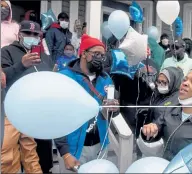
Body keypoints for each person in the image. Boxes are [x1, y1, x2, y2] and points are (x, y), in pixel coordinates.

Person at [54, 34, 119, 172]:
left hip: (100, 145)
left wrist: (115, 108)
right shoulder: (65, 78)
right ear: (84, 53)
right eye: (96, 54)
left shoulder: (106, 78)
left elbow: (113, 111)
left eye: (102, 55)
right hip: (73, 149)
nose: (100, 58)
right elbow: (55, 117)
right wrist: (65, 153)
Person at [1, 20, 54, 173]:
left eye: (35, 34)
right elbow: (3, 79)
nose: (31, 36)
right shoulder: (7, 51)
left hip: (40, 116)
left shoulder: (44, 57)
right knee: (15, 161)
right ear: (19, 35)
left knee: (42, 161)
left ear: (40, 37)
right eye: (27, 33)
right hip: (14, 117)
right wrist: (21, 65)